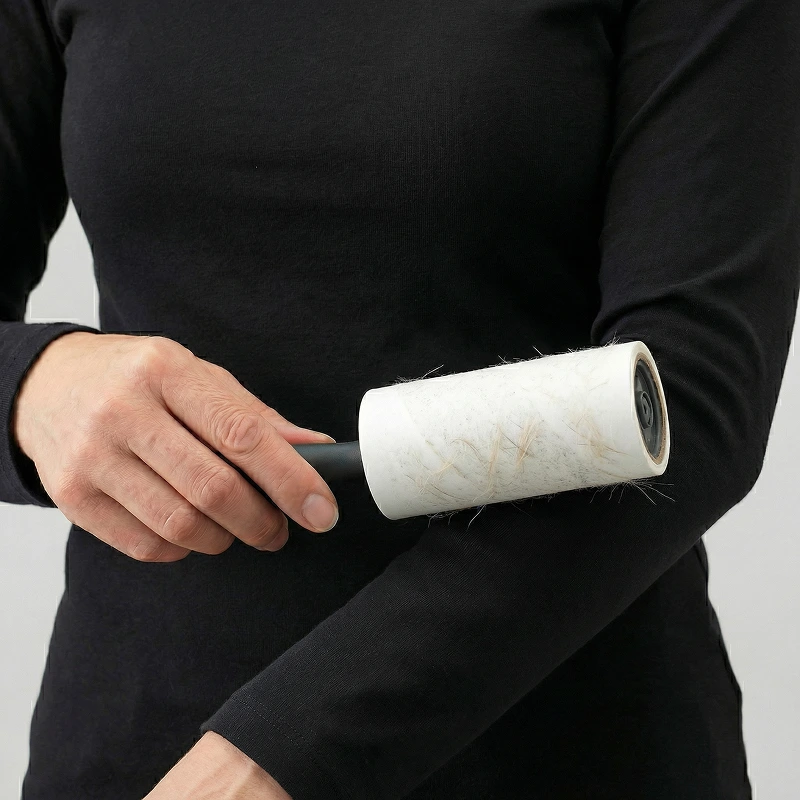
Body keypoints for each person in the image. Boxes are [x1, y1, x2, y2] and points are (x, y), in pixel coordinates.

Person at [1, 0, 798, 797]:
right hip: (141, 753)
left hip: (555, 749)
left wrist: (281, 750)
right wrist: (33, 383)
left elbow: (689, 393)